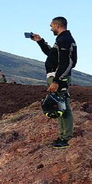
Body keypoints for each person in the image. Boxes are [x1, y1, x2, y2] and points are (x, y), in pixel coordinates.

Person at [31, 16, 77, 148]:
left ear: (57, 25)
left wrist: (57, 80)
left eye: (51, 26)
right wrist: (40, 41)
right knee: (59, 105)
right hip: (56, 76)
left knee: (63, 106)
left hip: (59, 77)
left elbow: (67, 62)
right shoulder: (61, 40)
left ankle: (66, 138)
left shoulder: (65, 40)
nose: (50, 28)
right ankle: (63, 136)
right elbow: (51, 54)